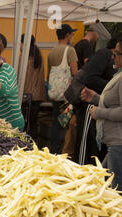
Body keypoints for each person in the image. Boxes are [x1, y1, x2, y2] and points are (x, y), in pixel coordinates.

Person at [80, 34, 122, 192]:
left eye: (117, 53)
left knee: (120, 192)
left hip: (120, 143)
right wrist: (96, 98)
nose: (113, 57)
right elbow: (116, 101)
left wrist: (100, 112)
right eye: (113, 52)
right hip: (116, 144)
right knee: (101, 185)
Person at [73, 36, 119, 165]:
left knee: (96, 149)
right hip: (91, 105)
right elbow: (90, 78)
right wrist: (113, 87)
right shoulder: (104, 54)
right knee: (87, 146)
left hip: (102, 107)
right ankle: (81, 175)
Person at [47, 23, 78, 154]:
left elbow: (48, 73)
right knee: (63, 123)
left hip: (54, 93)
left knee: (55, 121)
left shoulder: (52, 52)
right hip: (65, 94)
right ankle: (59, 151)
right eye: (71, 34)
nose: (72, 36)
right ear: (67, 35)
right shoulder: (70, 50)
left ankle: (52, 148)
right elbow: (75, 72)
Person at [20, 34, 46, 142]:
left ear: (24, 43)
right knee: (33, 123)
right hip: (37, 96)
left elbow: (21, 79)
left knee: (24, 124)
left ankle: (24, 145)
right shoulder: (38, 56)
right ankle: (34, 145)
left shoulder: (24, 58)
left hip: (26, 95)